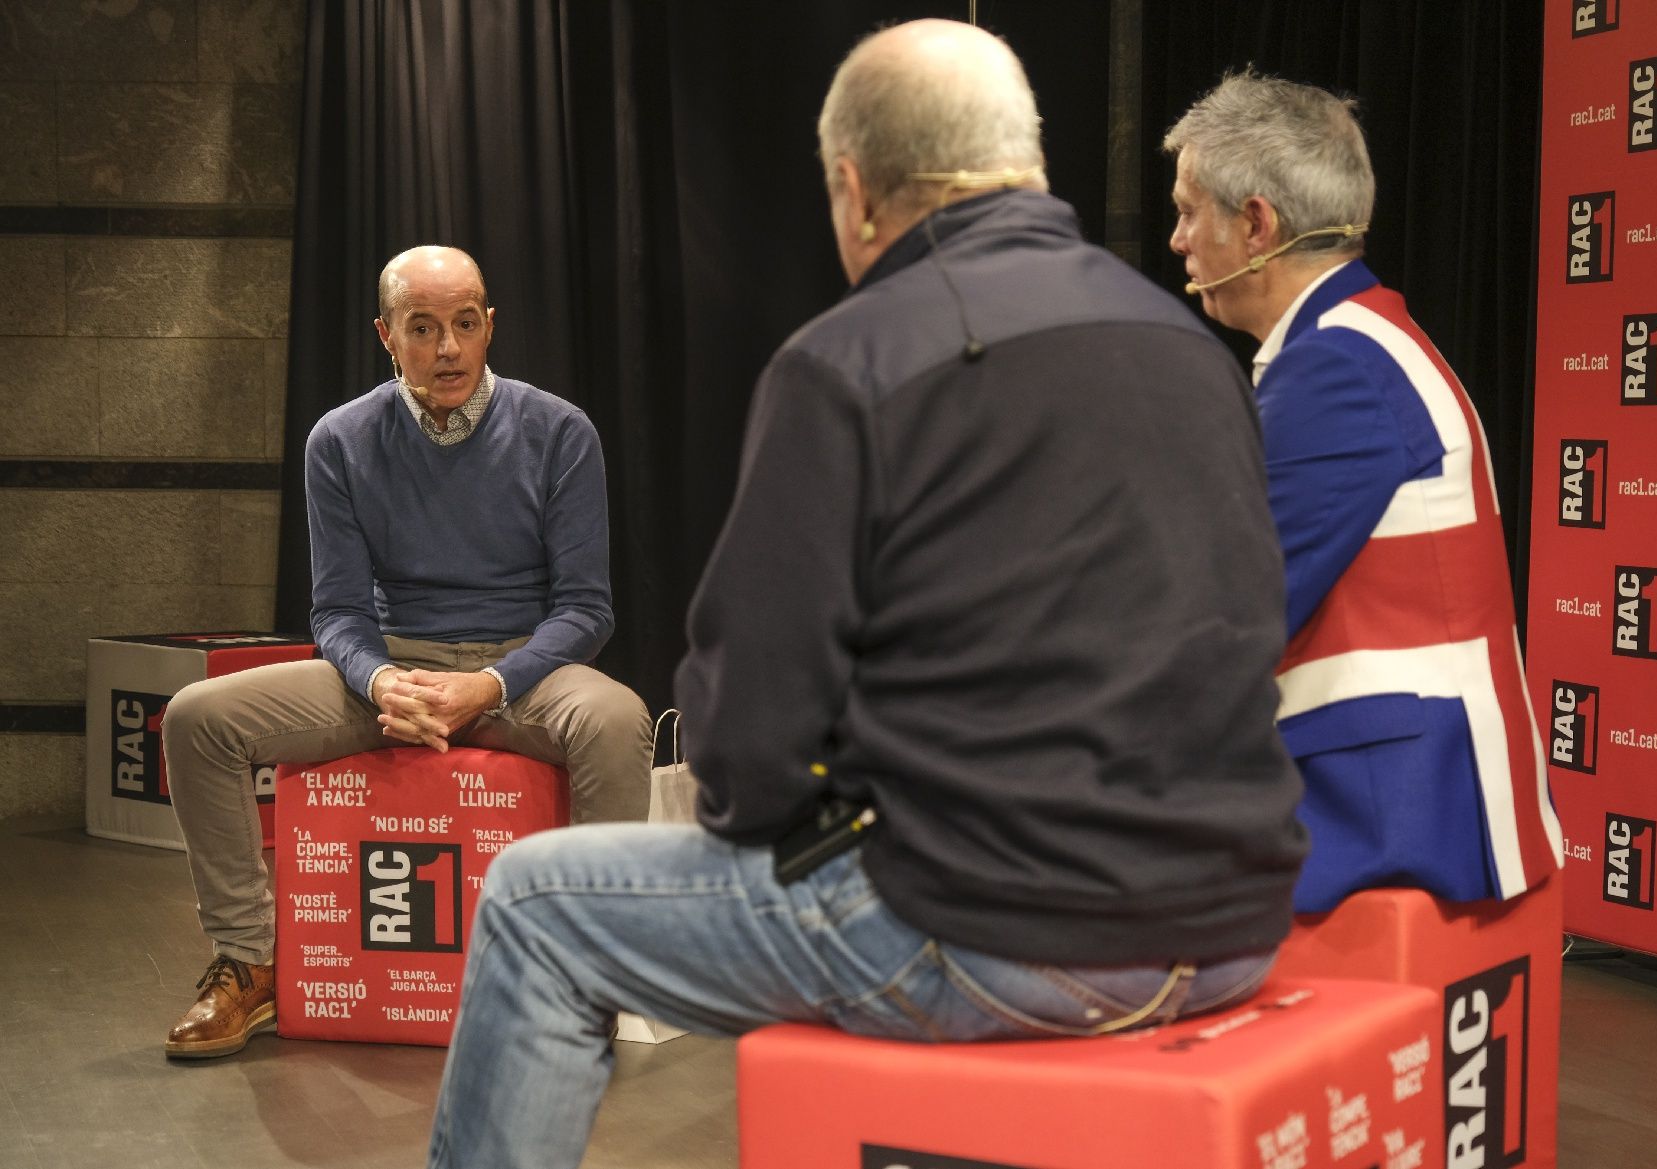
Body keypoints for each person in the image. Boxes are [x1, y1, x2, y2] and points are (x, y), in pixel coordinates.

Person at [426, 20, 1306, 1168]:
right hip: (1232, 920)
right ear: (1023, 161)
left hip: (997, 936)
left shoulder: (846, 362)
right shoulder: (1188, 345)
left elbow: (746, 747)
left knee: (539, 906)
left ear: (853, 189)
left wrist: (821, 808)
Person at [160, 245, 653, 1059]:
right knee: (196, 718)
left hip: (521, 668)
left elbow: (586, 611)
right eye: (424, 329)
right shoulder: (340, 440)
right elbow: (340, 612)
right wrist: (382, 679)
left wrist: (489, 685)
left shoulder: (560, 431)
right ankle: (249, 964)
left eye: (465, 325)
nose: (449, 348)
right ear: (387, 336)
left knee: (616, 718)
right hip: (395, 667)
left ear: (490, 328)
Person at [1162, 72, 1563, 914]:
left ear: (1256, 223)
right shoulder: (1362, 337)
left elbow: (1225, 614)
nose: (1177, 240)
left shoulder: (1335, 370)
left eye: (1189, 210)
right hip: (1396, 784)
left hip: (1387, 809)